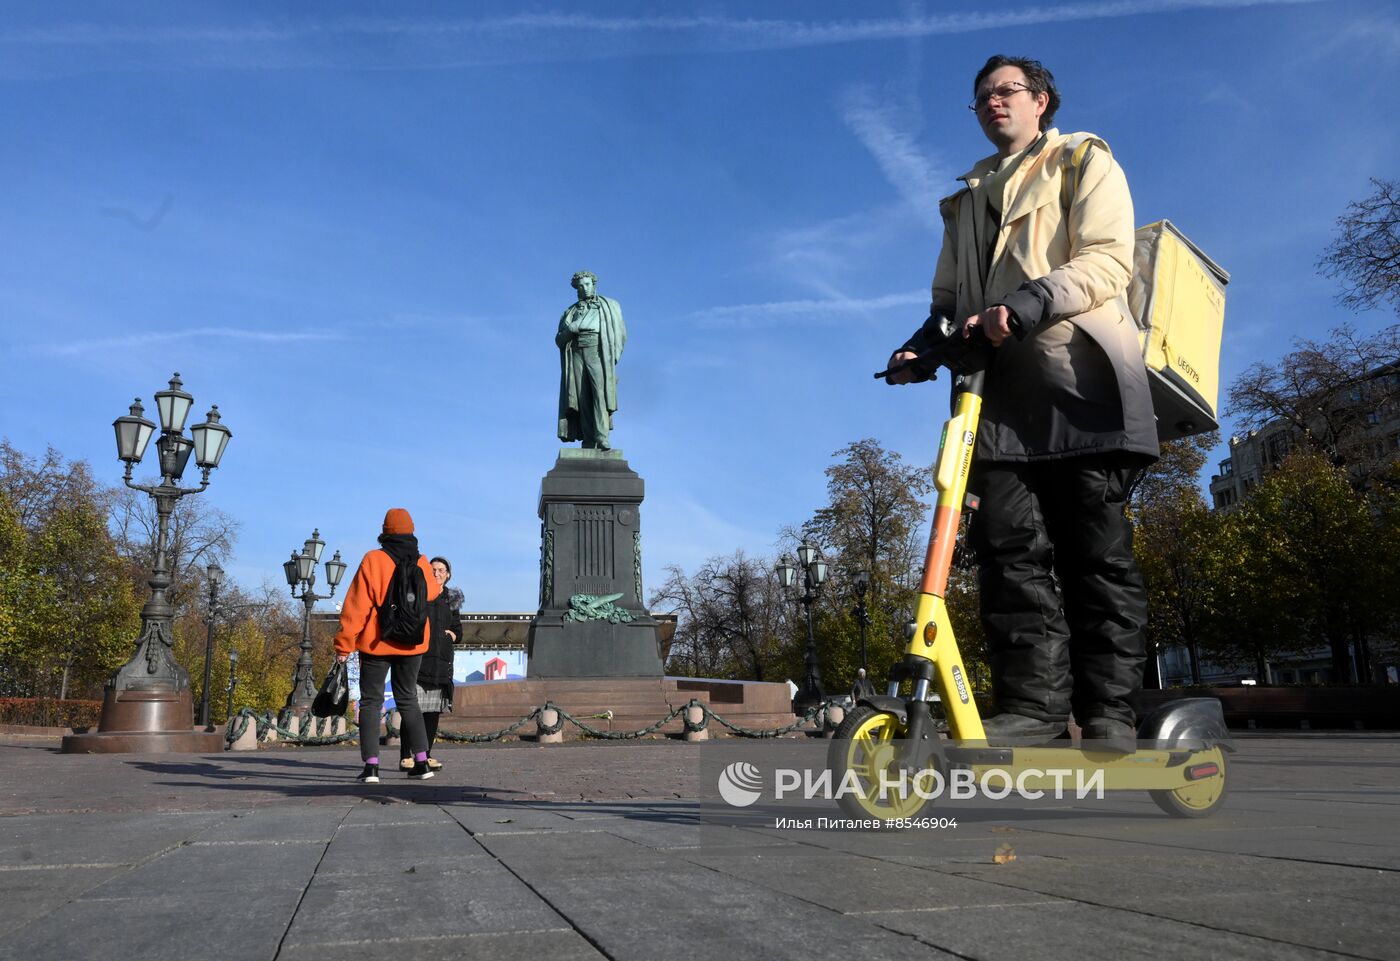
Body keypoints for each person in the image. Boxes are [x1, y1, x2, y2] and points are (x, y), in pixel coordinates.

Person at [886, 55, 1157, 748]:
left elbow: (1106, 261)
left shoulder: (1082, 161)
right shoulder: (966, 199)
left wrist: (1026, 302)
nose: (991, 104)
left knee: (1093, 555)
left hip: (1081, 382)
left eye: (1005, 92)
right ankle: (1034, 708)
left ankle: (1111, 712)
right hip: (995, 402)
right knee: (1009, 554)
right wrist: (921, 346)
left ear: (1041, 101)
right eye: (980, 98)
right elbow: (949, 304)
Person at [333, 508, 442, 782]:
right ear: (411, 530)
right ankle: (421, 762)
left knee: (371, 702)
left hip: (376, 642)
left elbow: (356, 606)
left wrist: (344, 645)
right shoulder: (421, 560)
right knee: (409, 700)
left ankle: (371, 767)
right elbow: (434, 591)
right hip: (412, 644)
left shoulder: (373, 559)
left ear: (385, 530)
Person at [399, 556, 461, 772]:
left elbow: (458, 629)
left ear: (448, 574)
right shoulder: (419, 593)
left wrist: (451, 636)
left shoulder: (451, 599)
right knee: (413, 710)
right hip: (419, 657)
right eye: (433, 569)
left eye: (441, 570)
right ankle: (406, 755)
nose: (437, 573)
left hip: (441, 660)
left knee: (433, 711)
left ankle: (427, 754)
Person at [556, 270, 626, 450]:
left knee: (599, 394)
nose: (584, 288)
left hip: (598, 351)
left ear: (594, 284)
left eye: (587, 284)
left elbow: (621, 334)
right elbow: (558, 340)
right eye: (580, 286)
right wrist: (570, 330)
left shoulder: (609, 306)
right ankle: (588, 439)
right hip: (577, 353)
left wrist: (612, 360)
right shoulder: (570, 312)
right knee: (582, 397)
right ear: (576, 289)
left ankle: (602, 437)